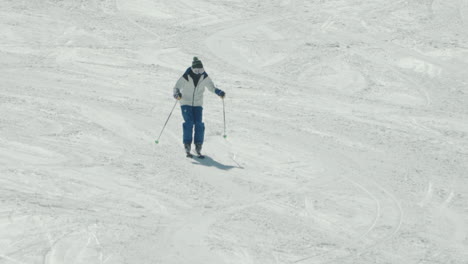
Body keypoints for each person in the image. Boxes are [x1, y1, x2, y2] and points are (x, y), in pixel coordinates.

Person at [173, 57, 225, 158]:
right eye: (197, 70)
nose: (198, 72)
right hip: (185, 102)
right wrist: (177, 94)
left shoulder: (204, 76)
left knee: (199, 124)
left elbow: (211, 87)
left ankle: (198, 145)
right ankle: (187, 144)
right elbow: (177, 87)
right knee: (189, 122)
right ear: (193, 69)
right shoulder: (187, 75)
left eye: (201, 70)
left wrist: (218, 92)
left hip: (198, 104)